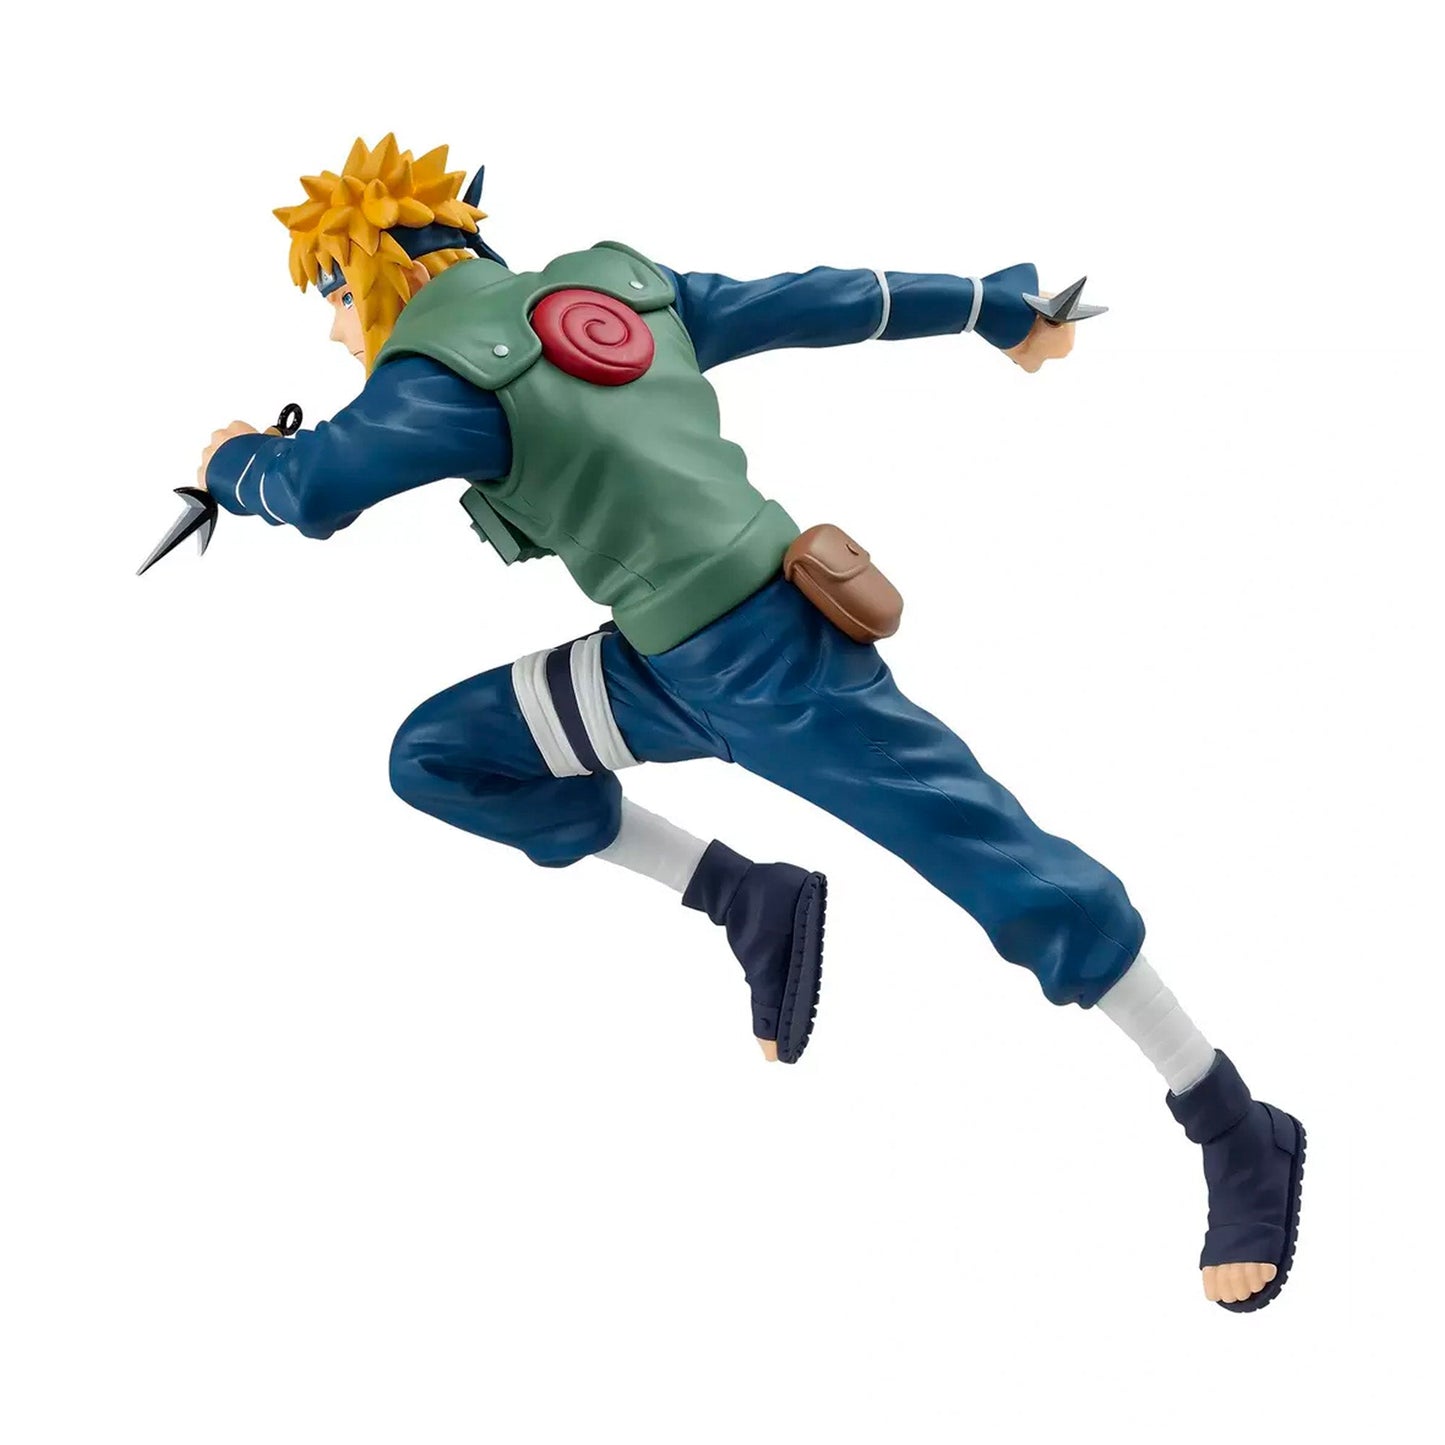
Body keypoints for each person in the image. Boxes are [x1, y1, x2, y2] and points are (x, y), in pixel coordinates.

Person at [197, 134, 1304, 1310]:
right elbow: (819, 301)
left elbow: (314, 490)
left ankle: (1231, 1120)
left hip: (780, 672)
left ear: (381, 272)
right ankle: (745, 895)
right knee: (443, 754)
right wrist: (988, 305)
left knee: (1007, 869)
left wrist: (235, 462)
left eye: (332, 296)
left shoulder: (434, 375)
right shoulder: (618, 288)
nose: (335, 334)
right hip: (659, 665)